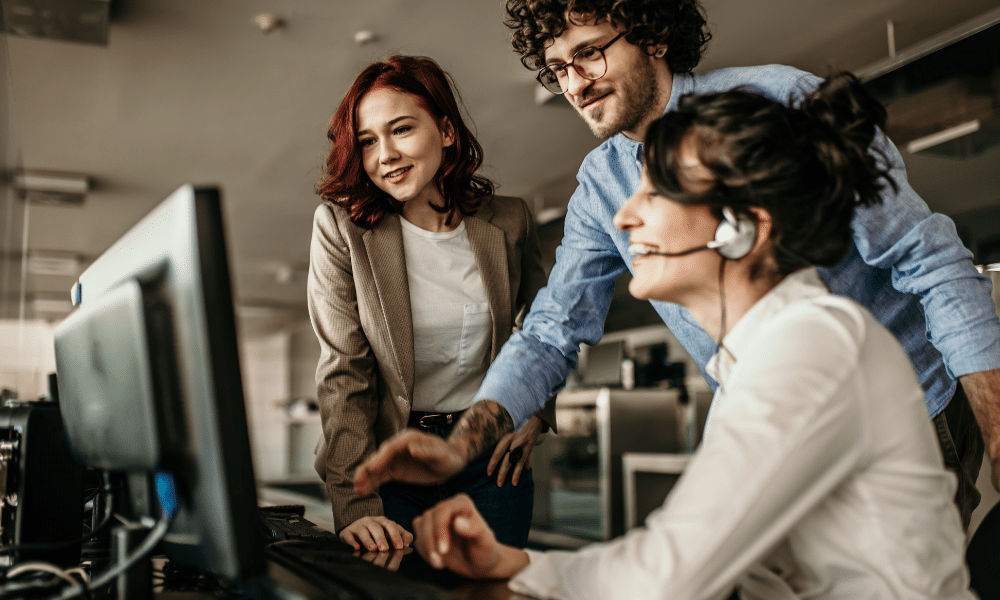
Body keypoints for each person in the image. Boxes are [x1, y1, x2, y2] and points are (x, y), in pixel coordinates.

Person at [353, 0, 1000, 529]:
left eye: (590, 51)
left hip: (907, 410)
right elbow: (552, 329)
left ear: (652, 34)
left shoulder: (779, 101)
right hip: (775, 434)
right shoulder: (601, 183)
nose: (575, 84)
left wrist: (996, 429)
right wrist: (460, 446)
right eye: (558, 68)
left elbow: (931, 259)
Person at [407, 72, 976, 600]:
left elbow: (666, 574)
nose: (625, 219)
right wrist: (509, 562)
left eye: (654, 193)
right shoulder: (756, 360)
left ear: (739, 226)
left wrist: (522, 569)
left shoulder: (811, 346)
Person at [308, 54, 553, 553]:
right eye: (368, 141)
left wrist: (537, 413)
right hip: (390, 465)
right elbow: (345, 373)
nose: (385, 155)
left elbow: (544, 330)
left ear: (445, 130)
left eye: (401, 130)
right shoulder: (342, 230)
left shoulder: (509, 221)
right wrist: (353, 506)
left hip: (491, 462)